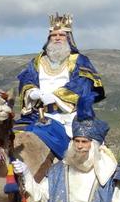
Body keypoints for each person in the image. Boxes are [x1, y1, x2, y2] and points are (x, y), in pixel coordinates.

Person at [15, 13, 105, 160]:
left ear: (68, 37)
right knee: (14, 135)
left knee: (90, 150)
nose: (57, 38)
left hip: (71, 115)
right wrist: (33, 93)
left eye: (61, 35)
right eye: (53, 35)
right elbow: (27, 80)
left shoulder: (79, 60)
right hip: (40, 113)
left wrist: (56, 97)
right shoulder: (37, 61)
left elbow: (82, 84)